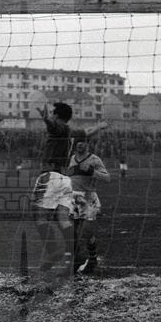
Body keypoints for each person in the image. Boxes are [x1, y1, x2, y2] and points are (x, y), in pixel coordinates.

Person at [31, 103, 107, 274]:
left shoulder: (60, 128)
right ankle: (76, 254)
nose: (51, 115)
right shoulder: (71, 133)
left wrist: (45, 119)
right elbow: (86, 132)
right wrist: (99, 127)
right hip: (63, 178)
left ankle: (55, 251)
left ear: (57, 116)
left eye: (53, 113)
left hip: (50, 176)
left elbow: (54, 127)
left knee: (39, 216)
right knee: (62, 219)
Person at [67, 130, 110, 274]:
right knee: (71, 233)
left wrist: (92, 171)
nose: (80, 145)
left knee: (86, 232)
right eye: (77, 142)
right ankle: (76, 260)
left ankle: (92, 258)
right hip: (73, 199)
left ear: (87, 143)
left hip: (89, 198)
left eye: (82, 142)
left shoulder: (94, 159)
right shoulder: (70, 159)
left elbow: (107, 178)